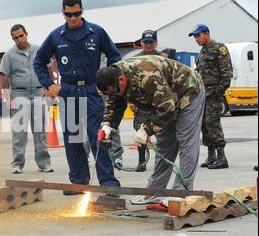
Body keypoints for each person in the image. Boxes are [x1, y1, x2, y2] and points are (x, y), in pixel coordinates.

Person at [34, 0, 122, 196]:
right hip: (68, 91)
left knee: (98, 136)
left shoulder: (96, 32)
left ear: (82, 11)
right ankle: (79, 181)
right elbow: (39, 62)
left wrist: (107, 82)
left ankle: (108, 183)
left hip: (92, 90)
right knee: (72, 137)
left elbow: (114, 57)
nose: (72, 18)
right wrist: (49, 84)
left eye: (76, 13)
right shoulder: (56, 36)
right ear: (62, 13)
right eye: (68, 14)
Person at [96, 55, 205, 205]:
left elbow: (167, 108)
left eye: (114, 91)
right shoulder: (114, 82)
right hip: (166, 99)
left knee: (186, 143)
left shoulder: (146, 75)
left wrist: (146, 130)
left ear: (121, 79)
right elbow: (115, 104)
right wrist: (108, 125)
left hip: (188, 92)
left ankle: (181, 192)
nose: (113, 95)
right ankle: (154, 192)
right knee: (164, 146)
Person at [0, 24, 53, 174]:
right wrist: (7, 98)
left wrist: (49, 87)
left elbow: (49, 67)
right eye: (16, 38)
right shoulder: (9, 55)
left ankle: (44, 163)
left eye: (21, 36)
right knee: (19, 132)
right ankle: (17, 164)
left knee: (40, 130)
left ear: (26, 34)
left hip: (38, 93)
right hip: (19, 95)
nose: (19, 39)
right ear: (12, 39)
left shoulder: (39, 50)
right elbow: (4, 76)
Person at [189, 24, 233, 170]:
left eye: (198, 35)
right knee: (204, 126)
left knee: (213, 125)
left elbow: (227, 74)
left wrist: (217, 92)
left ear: (207, 33)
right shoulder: (202, 52)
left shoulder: (219, 48)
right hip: (202, 96)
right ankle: (211, 155)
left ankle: (222, 157)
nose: (196, 38)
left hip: (213, 95)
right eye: (194, 36)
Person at [131, 30, 168, 172]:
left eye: (151, 42)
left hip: (160, 102)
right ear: (141, 43)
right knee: (140, 132)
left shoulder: (163, 58)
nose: (148, 45)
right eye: (145, 42)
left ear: (156, 43)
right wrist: (132, 101)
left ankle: (164, 161)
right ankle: (142, 161)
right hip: (142, 102)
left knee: (163, 134)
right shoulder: (135, 60)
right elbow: (132, 81)